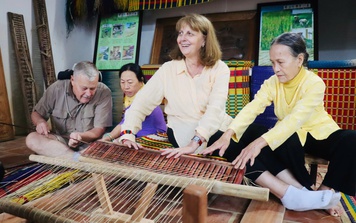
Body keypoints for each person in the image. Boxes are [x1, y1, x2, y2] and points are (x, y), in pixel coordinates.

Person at [203, 32, 355, 215]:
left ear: (299, 59)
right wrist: (228, 134)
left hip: (319, 134)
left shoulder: (315, 83)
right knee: (255, 134)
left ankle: (324, 192)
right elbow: (253, 108)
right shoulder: (272, 83)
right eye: (273, 62)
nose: (276, 68)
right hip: (290, 138)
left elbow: (295, 119)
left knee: (351, 139)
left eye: (281, 62)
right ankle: (305, 191)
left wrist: (258, 144)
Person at [118, 13, 234, 157]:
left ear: (204, 40)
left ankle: (270, 180)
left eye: (190, 34)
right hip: (183, 130)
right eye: (180, 33)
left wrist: (199, 138)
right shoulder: (168, 69)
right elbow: (141, 102)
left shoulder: (220, 68)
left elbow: (215, 110)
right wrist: (128, 133)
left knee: (259, 137)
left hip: (218, 125)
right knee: (240, 150)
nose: (182, 39)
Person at [26, 61, 113, 160]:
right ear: (72, 80)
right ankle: (76, 159)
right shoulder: (57, 89)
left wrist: (80, 136)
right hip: (61, 143)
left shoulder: (104, 92)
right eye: (84, 88)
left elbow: (98, 130)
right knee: (32, 139)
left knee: (107, 148)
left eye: (93, 88)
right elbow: (36, 113)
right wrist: (40, 122)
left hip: (89, 144)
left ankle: (69, 158)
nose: (88, 93)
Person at [101, 63, 166, 142]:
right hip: (137, 135)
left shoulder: (146, 97)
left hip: (154, 138)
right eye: (122, 82)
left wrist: (109, 137)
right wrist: (109, 137)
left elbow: (124, 124)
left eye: (130, 82)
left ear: (141, 81)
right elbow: (125, 122)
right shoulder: (129, 99)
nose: (126, 86)